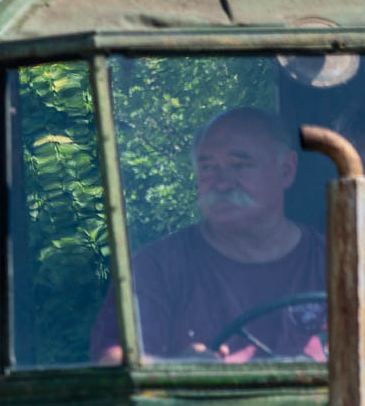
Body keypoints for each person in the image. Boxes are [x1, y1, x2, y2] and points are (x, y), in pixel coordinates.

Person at [91, 107, 326, 363]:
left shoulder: (336, 263)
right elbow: (110, 361)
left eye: (239, 165)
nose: (222, 183)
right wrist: (177, 370)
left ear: (286, 170)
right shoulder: (157, 267)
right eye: (208, 167)